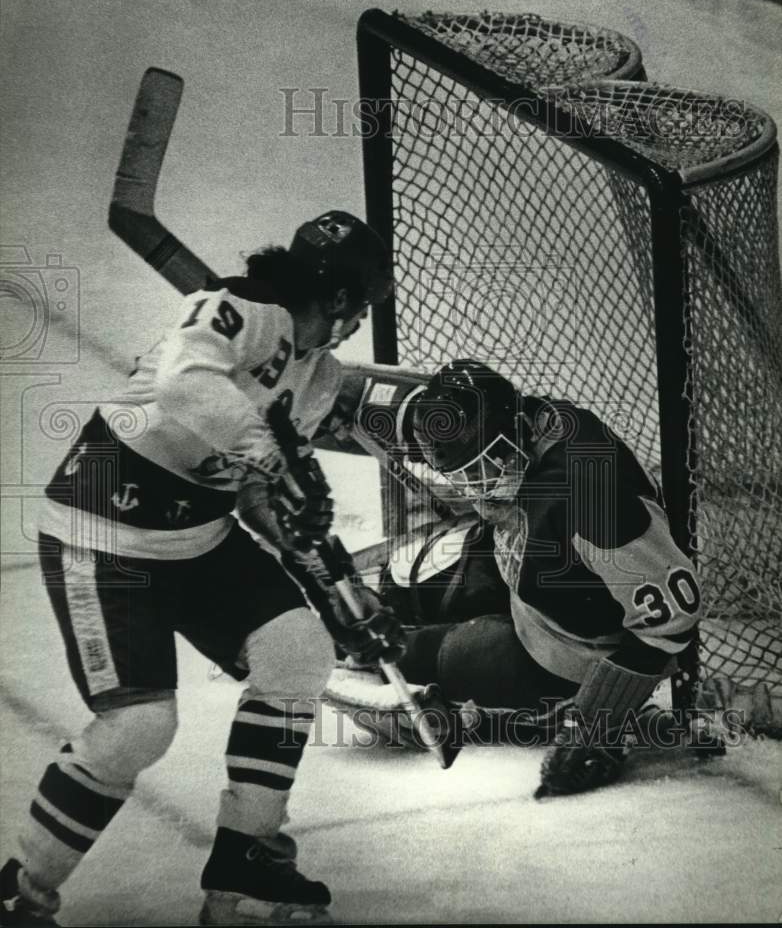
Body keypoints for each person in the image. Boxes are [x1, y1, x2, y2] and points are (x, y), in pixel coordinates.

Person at [0, 211, 404, 927]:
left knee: (297, 651)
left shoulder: (319, 376)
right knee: (137, 727)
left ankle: (244, 867)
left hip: (202, 537)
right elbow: (185, 386)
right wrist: (276, 458)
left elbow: (252, 496)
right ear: (344, 300)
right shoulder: (237, 308)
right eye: (361, 305)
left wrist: (322, 566)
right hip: (103, 535)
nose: (355, 321)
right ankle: (19, 890)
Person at [332, 358, 704, 795]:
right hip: (532, 567)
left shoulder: (592, 493)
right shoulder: (523, 417)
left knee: (398, 656)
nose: (477, 487)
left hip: (564, 646)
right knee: (400, 584)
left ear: (516, 430)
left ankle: (551, 703)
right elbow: (424, 414)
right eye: (466, 474)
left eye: (484, 467)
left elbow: (674, 621)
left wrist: (594, 726)